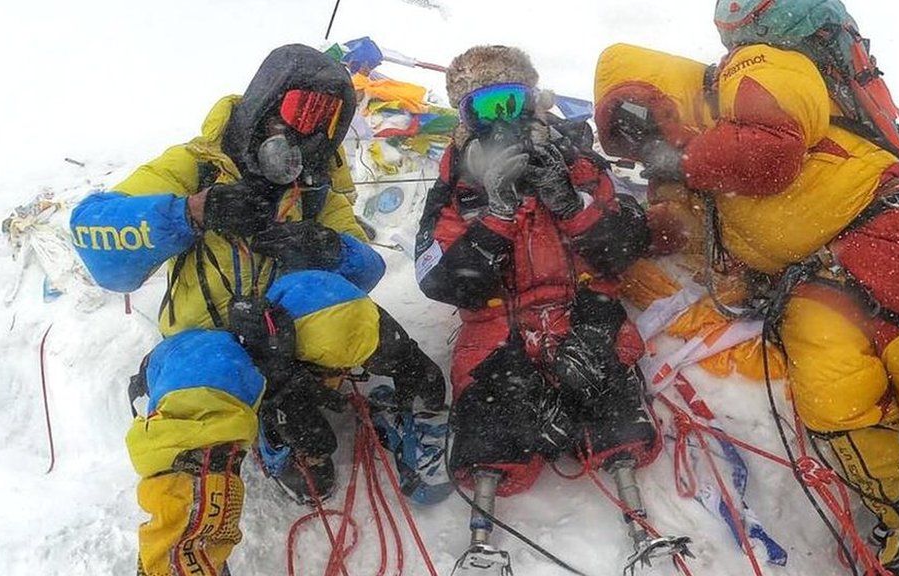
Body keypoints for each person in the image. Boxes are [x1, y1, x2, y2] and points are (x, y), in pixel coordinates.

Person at [594, 4, 899, 571]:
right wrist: (604, 225)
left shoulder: (757, 66)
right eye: (624, 133)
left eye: (638, 116)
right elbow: (683, 238)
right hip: (810, 282)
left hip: (882, 233)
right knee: (837, 405)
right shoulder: (693, 161)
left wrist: (682, 156)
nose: (638, 137)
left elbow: (771, 154)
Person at [71, 44, 446, 576]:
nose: (308, 135)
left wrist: (327, 247)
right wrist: (192, 212)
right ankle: (185, 559)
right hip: (205, 345)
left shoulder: (313, 189)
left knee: (333, 306)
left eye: (328, 122)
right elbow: (96, 237)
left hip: (286, 342)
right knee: (209, 377)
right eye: (302, 111)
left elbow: (367, 267)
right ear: (263, 103)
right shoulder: (195, 166)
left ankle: (411, 387)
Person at [415, 45, 668, 568]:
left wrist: (571, 205)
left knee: (615, 424)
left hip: (584, 317)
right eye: (485, 109)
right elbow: (438, 279)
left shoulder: (573, 161)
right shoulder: (456, 184)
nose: (504, 121)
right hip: (496, 333)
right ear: (465, 117)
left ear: (535, 100)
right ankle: (483, 545)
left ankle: (641, 525)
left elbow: (625, 245)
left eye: (514, 102)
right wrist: (498, 215)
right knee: (494, 444)